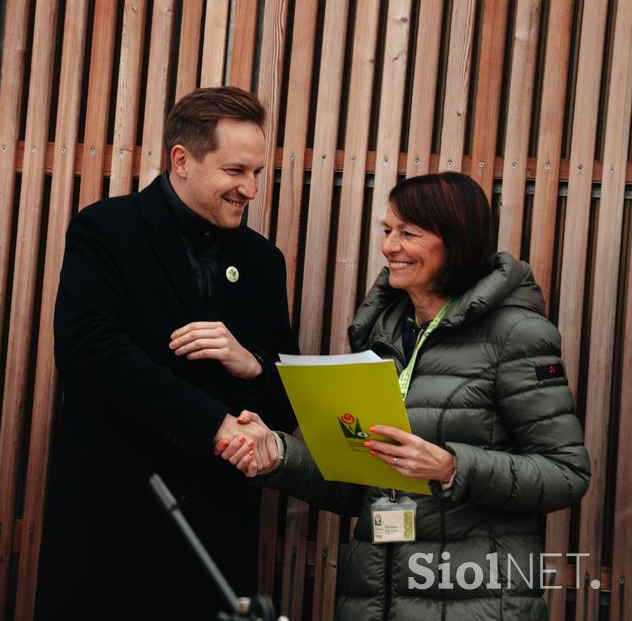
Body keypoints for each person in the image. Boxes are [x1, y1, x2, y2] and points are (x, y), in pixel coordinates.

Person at [220, 172, 590, 620]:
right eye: (387, 230)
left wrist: (453, 467)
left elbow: (566, 474)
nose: (389, 247)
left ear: (456, 242)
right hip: (374, 599)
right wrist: (277, 453)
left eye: (408, 233)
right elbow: (360, 483)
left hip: (476, 601)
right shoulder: (384, 332)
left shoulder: (516, 334)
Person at [36, 87, 299, 620]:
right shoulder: (105, 229)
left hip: (218, 534)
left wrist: (251, 365)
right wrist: (214, 424)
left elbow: (288, 401)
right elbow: (90, 352)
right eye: (235, 171)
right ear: (181, 160)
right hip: (116, 518)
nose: (249, 188)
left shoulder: (265, 261)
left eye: (257, 173)